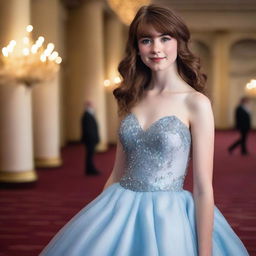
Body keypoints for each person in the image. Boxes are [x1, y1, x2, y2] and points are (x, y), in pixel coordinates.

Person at [40, 5, 249, 256]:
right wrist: (102, 223)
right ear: (137, 48)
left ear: (178, 43)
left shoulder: (195, 103)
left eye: (165, 38)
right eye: (146, 40)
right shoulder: (132, 98)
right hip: (119, 204)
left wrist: (205, 253)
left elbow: (203, 187)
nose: (156, 48)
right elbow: (117, 173)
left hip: (169, 216)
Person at [81, 100, 101, 175]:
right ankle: (90, 169)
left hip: (91, 139)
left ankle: (90, 169)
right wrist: (93, 139)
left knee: (90, 155)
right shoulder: (86, 115)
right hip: (89, 140)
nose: (93, 106)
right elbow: (88, 129)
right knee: (89, 155)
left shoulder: (89, 114)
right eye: (92, 105)